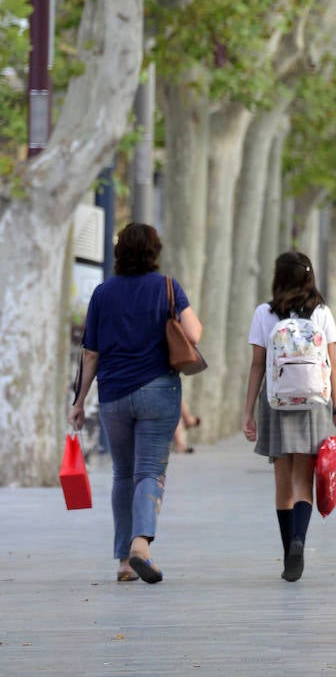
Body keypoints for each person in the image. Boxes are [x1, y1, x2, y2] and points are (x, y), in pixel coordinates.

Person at [68, 222, 202, 584]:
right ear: (153, 252)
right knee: (149, 472)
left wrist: (79, 400)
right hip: (159, 391)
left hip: (113, 395)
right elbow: (194, 333)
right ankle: (140, 544)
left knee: (122, 474)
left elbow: (91, 354)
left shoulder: (102, 294)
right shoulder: (167, 288)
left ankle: (125, 562)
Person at [242, 251, 336, 581]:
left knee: (282, 481)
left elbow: (258, 366)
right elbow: (332, 366)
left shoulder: (265, 312)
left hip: (276, 402)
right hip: (314, 402)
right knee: (304, 480)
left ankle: (289, 549)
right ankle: (300, 541)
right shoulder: (322, 312)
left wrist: (248, 413)